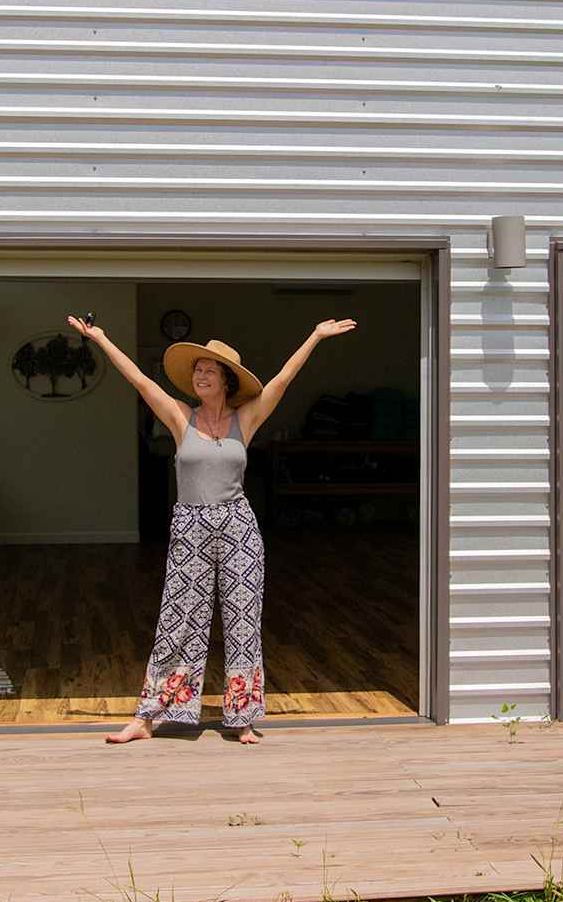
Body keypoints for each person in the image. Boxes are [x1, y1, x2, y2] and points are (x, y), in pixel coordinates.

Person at [66, 314, 357, 744]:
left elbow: (282, 379)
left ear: (226, 380)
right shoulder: (181, 416)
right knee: (177, 618)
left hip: (238, 525)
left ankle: (240, 719)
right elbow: (142, 383)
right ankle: (147, 718)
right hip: (190, 525)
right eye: (197, 371)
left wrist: (314, 336)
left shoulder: (248, 418)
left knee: (243, 619)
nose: (200, 376)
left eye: (208, 371)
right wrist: (102, 340)